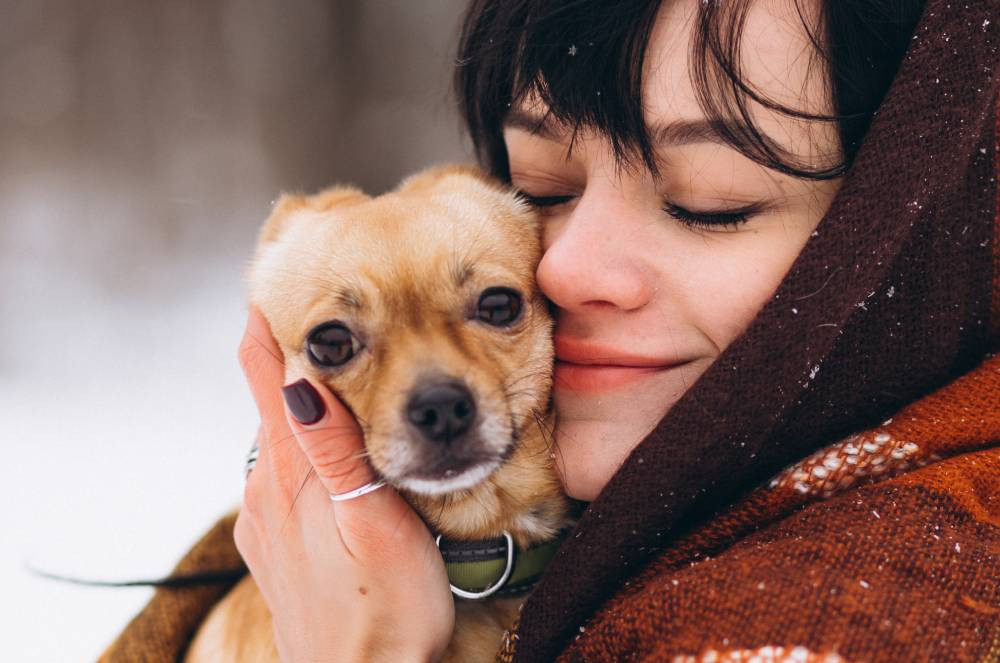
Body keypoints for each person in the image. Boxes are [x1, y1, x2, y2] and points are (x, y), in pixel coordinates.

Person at [101, 0, 999, 661]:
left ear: (914, 234)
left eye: (708, 203)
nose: (559, 271)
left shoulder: (865, 612)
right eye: (542, 190)